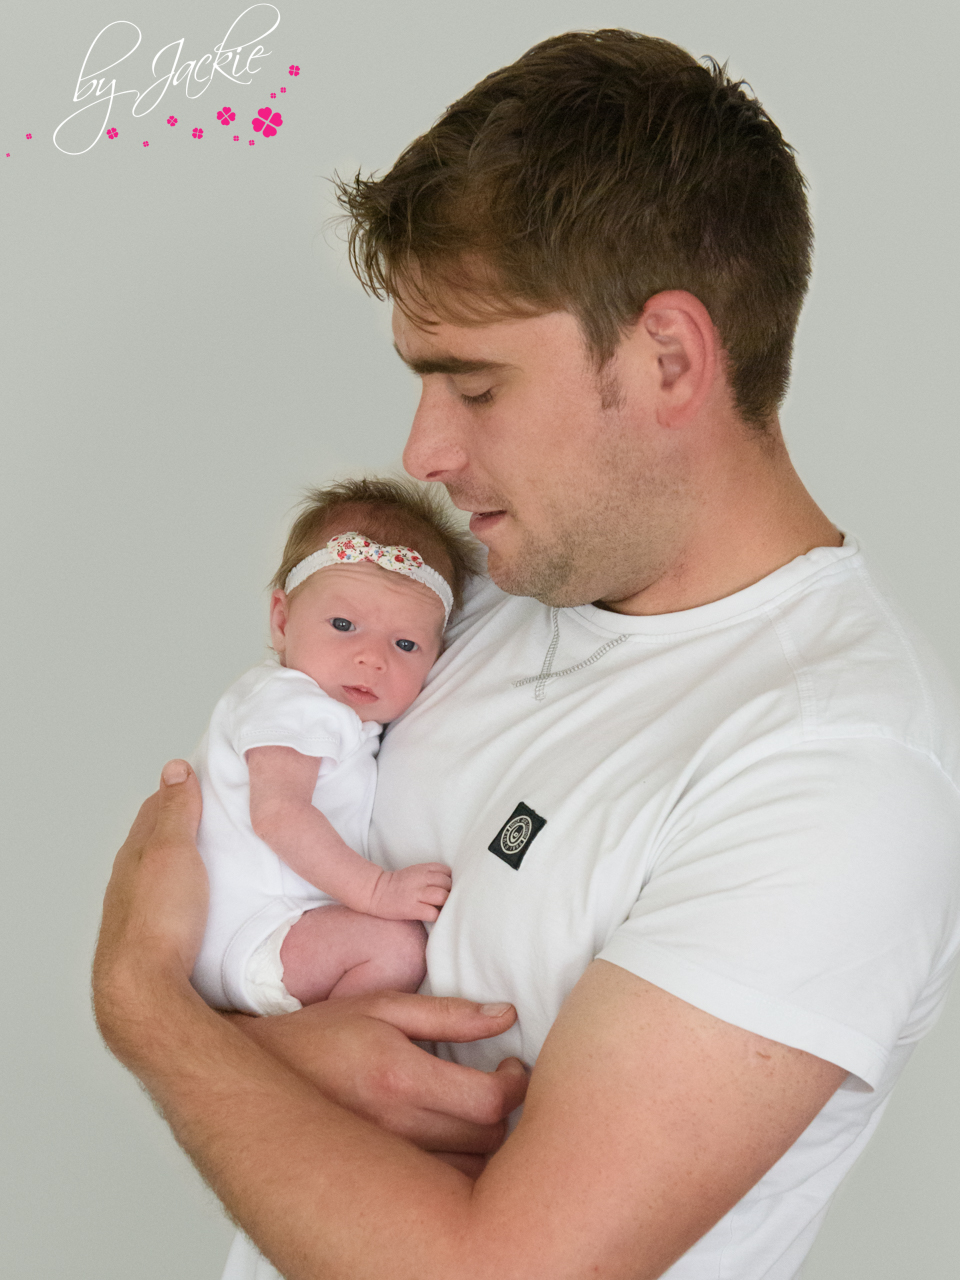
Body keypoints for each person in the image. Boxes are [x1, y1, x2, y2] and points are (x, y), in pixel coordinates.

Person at [93, 29, 960, 1280]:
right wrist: (275, 1049)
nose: (424, 451)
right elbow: (270, 926)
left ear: (669, 359)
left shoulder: (837, 768)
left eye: (477, 386)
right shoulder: (474, 601)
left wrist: (142, 1003)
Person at [191, 479, 476, 1017]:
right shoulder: (291, 700)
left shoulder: (331, 713)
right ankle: (320, 1047)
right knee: (395, 948)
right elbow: (279, 815)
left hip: (267, 930)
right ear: (282, 621)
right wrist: (377, 891)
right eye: (344, 625)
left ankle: (321, 1042)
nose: (372, 658)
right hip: (254, 932)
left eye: (405, 644)